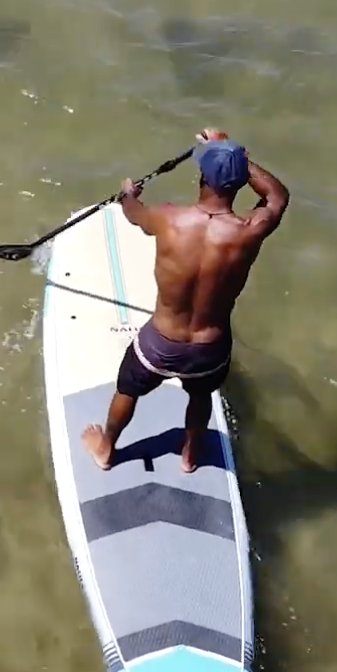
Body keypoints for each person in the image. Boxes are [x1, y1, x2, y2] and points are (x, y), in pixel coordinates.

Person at [81, 128, 290, 473]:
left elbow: (134, 213)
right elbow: (277, 197)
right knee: (200, 395)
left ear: (201, 177)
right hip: (210, 348)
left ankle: (105, 448)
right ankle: (190, 456)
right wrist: (235, 156)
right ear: (239, 183)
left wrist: (128, 195)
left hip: (160, 343)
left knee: (127, 391)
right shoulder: (249, 230)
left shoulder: (167, 218)